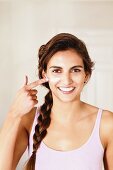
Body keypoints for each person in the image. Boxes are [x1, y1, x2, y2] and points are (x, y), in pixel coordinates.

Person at [0, 33, 113, 170]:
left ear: (86, 75)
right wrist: (14, 113)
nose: (66, 80)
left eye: (75, 70)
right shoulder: (28, 120)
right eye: (57, 71)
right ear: (45, 75)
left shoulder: (106, 124)